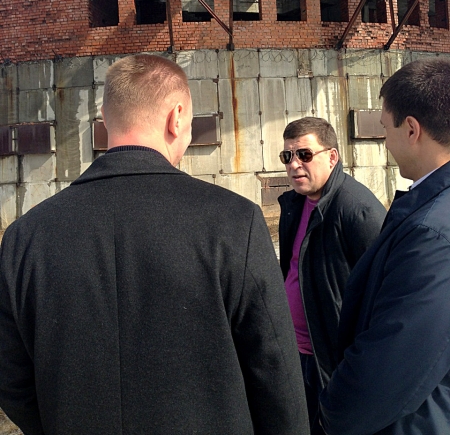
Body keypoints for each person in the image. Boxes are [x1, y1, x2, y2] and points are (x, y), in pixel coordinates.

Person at [0, 54, 310, 435]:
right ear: (176, 117)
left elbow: (11, 379)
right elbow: (277, 374)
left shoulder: (25, 237)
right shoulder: (234, 222)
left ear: (105, 117)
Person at [320, 58, 450, 435]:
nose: (385, 140)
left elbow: (392, 364)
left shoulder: (432, 232)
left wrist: (332, 410)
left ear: (411, 129)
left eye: (384, 127)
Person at [278, 117, 386, 434]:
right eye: (287, 156)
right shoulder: (293, 205)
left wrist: (356, 368)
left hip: (331, 363)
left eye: (304, 154)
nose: (294, 165)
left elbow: (382, 297)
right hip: (296, 354)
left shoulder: (358, 210)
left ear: (332, 156)